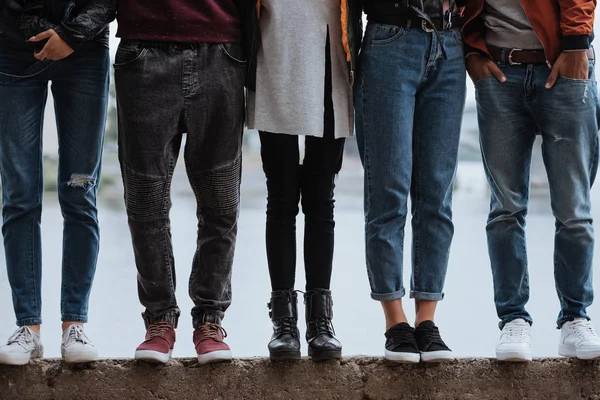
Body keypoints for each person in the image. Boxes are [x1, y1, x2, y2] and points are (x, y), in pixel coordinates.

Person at [114, 0, 257, 364]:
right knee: (145, 202)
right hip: (143, 48)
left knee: (221, 202)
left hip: (222, 50)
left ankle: (209, 319)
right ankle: (159, 319)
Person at [463, 0, 600, 361]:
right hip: (498, 74)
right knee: (505, 209)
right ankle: (513, 320)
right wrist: (471, 52)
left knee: (574, 210)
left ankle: (575, 318)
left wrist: (576, 46)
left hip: (564, 66)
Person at [0, 0, 116, 365]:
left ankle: (74, 325)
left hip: (86, 50)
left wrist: (71, 34)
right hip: (13, 47)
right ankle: (28, 329)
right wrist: (35, 28)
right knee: (19, 195)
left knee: (80, 193)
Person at [246, 0, 361, 361]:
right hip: (275, 49)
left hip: (333, 53)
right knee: (280, 196)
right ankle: (283, 322)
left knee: (320, 197)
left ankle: (320, 321)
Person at [354, 0, 468, 363]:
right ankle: (395, 322)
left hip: (449, 43)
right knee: (388, 191)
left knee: (437, 194)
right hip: (391, 37)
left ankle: (427, 322)